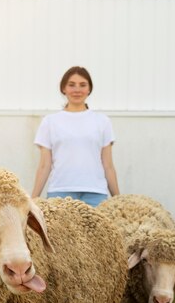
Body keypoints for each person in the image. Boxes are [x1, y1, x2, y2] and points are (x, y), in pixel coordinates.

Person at [31, 66, 120, 206]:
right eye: (71, 85)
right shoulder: (50, 122)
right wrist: (33, 200)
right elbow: (44, 165)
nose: (77, 90)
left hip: (95, 194)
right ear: (63, 89)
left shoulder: (102, 121)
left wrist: (118, 200)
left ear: (89, 89)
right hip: (60, 193)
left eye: (82, 85)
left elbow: (108, 165)